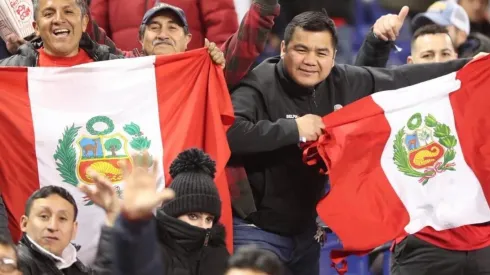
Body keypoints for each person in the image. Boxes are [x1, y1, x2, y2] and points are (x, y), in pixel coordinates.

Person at [226, 8, 482, 275]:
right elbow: (230, 133)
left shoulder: (343, 80)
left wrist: (468, 66)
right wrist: (294, 128)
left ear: (334, 56)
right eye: (301, 50)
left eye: (321, 53)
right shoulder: (258, 82)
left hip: (307, 234)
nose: (310, 60)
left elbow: (402, 79)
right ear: (282, 49)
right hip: (257, 229)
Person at [83, 149, 229, 275]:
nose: (203, 226)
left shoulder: (220, 255)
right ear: (172, 214)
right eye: (193, 216)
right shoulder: (150, 249)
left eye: (209, 219)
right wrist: (124, 223)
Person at [16, 186, 113, 274]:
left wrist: (112, 216)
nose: (53, 226)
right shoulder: (15, 265)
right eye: (44, 216)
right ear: (24, 224)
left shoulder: (69, 262)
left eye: (62, 218)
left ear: (74, 229)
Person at [0, 0, 121, 67]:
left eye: (68, 12)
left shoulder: (114, 68)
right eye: (48, 13)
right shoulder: (9, 71)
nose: (59, 19)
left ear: (84, 22)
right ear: (36, 27)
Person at [90, 0, 238, 51]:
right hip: (127, 76)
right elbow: (94, 29)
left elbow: (222, 28)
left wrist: (213, 70)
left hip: (186, 76)